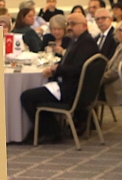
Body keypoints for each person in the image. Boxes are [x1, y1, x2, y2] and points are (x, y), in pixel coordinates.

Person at [18, 13, 97, 141]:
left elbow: (77, 70)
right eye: (68, 24)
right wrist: (56, 69)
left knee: (27, 96)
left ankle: (50, 131)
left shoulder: (86, 44)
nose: (69, 27)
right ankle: (49, 129)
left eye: (73, 24)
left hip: (71, 91)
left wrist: (56, 69)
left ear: (84, 25)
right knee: (36, 93)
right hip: (69, 86)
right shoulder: (78, 41)